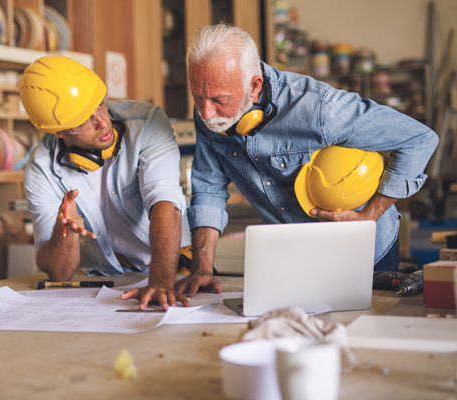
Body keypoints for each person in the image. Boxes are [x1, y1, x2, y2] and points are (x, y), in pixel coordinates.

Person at [175, 24, 439, 297]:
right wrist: (202, 269)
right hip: (296, 256)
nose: (206, 112)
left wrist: (367, 218)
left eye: (220, 99)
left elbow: (419, 140)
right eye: (198, 96)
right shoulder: (209, 114)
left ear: (254, 86)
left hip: (364, 249)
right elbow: (208, 189)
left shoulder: (320, 109)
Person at [20, 56, 192, 310]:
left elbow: (164, 199)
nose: (102, 122)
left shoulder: (148, 123)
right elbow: (59, 275)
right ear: (59, 132)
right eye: (82, 120)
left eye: (99, 105)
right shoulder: (40, 167)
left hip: (176, 267)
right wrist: (63, 232)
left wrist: (161, 281)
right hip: (112, 275)